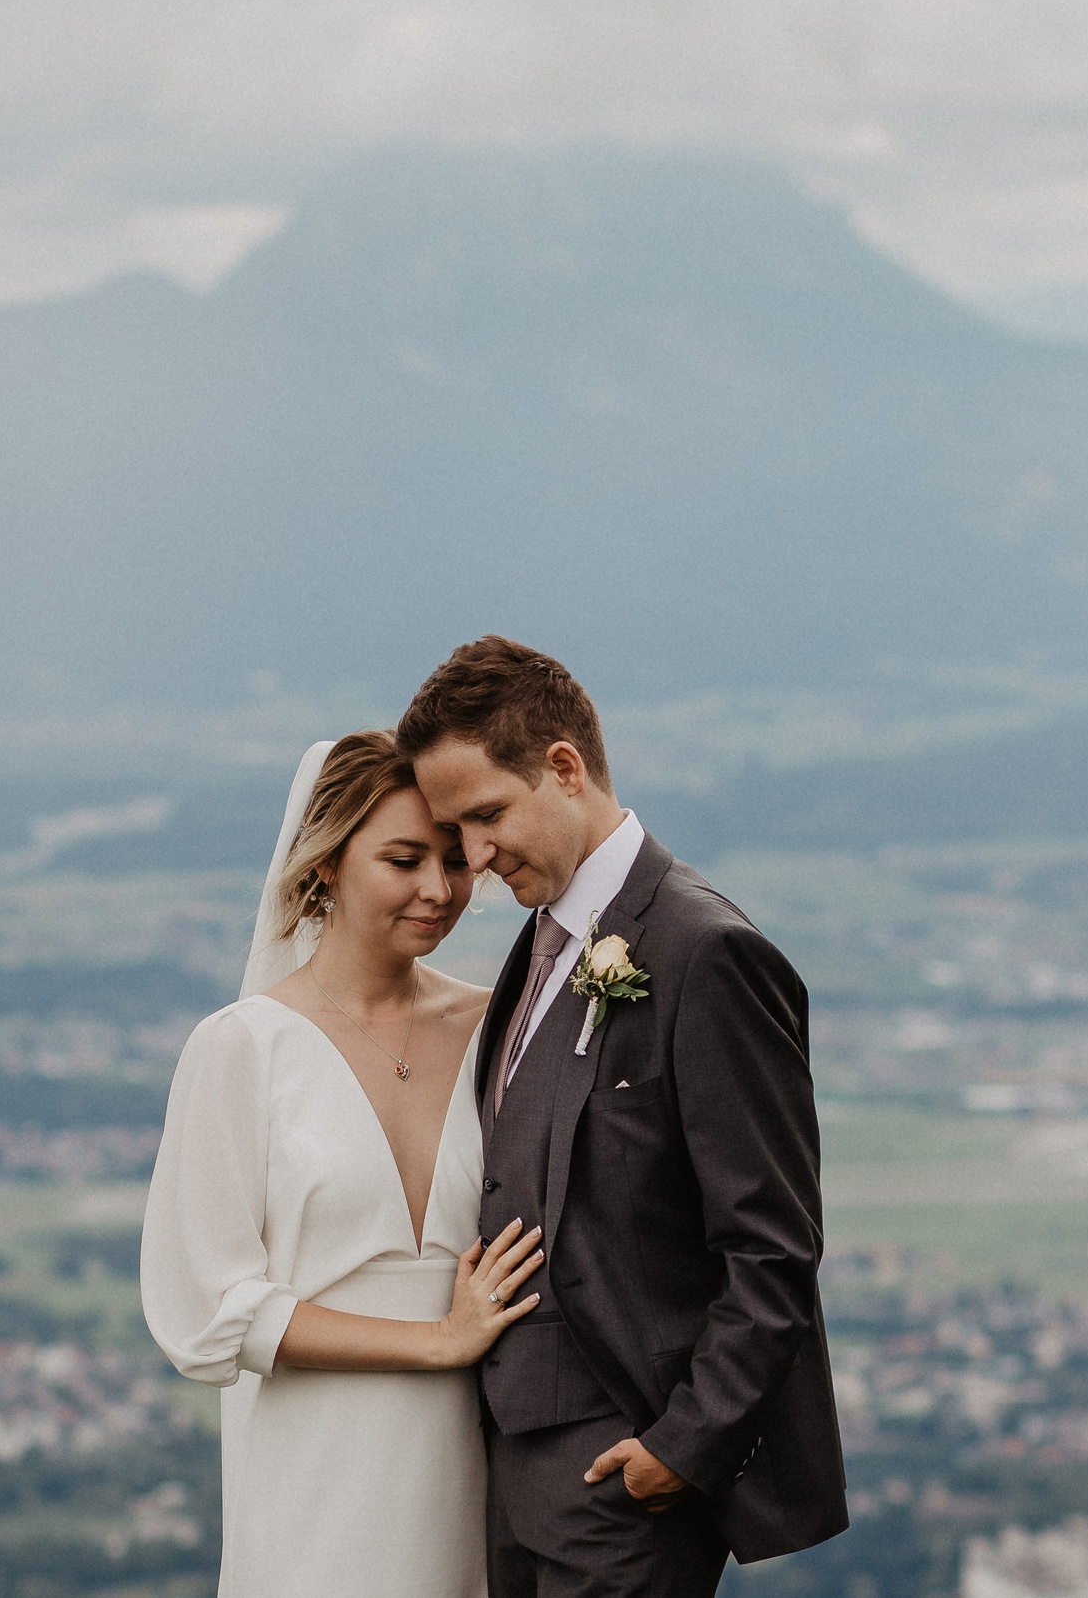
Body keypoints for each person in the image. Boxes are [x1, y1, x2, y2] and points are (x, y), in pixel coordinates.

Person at [401, 637, 848, 1598]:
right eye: (456, 830)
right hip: (509, 1474)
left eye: (486, 816)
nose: (473, 859)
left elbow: (773, 1244)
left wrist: (683, 1446)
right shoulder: (539, 945)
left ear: (564, 768)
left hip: (625, 1475)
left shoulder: (708, 952)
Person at [141, 729, 546, 1597]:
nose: (439, 891)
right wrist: (437, 1341)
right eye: (403, 859)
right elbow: (206, 1312)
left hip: (479, 1479)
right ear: (325, 862)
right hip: (313, 1481)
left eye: (455, 861)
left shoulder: (499, 1027)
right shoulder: (240, 1049)